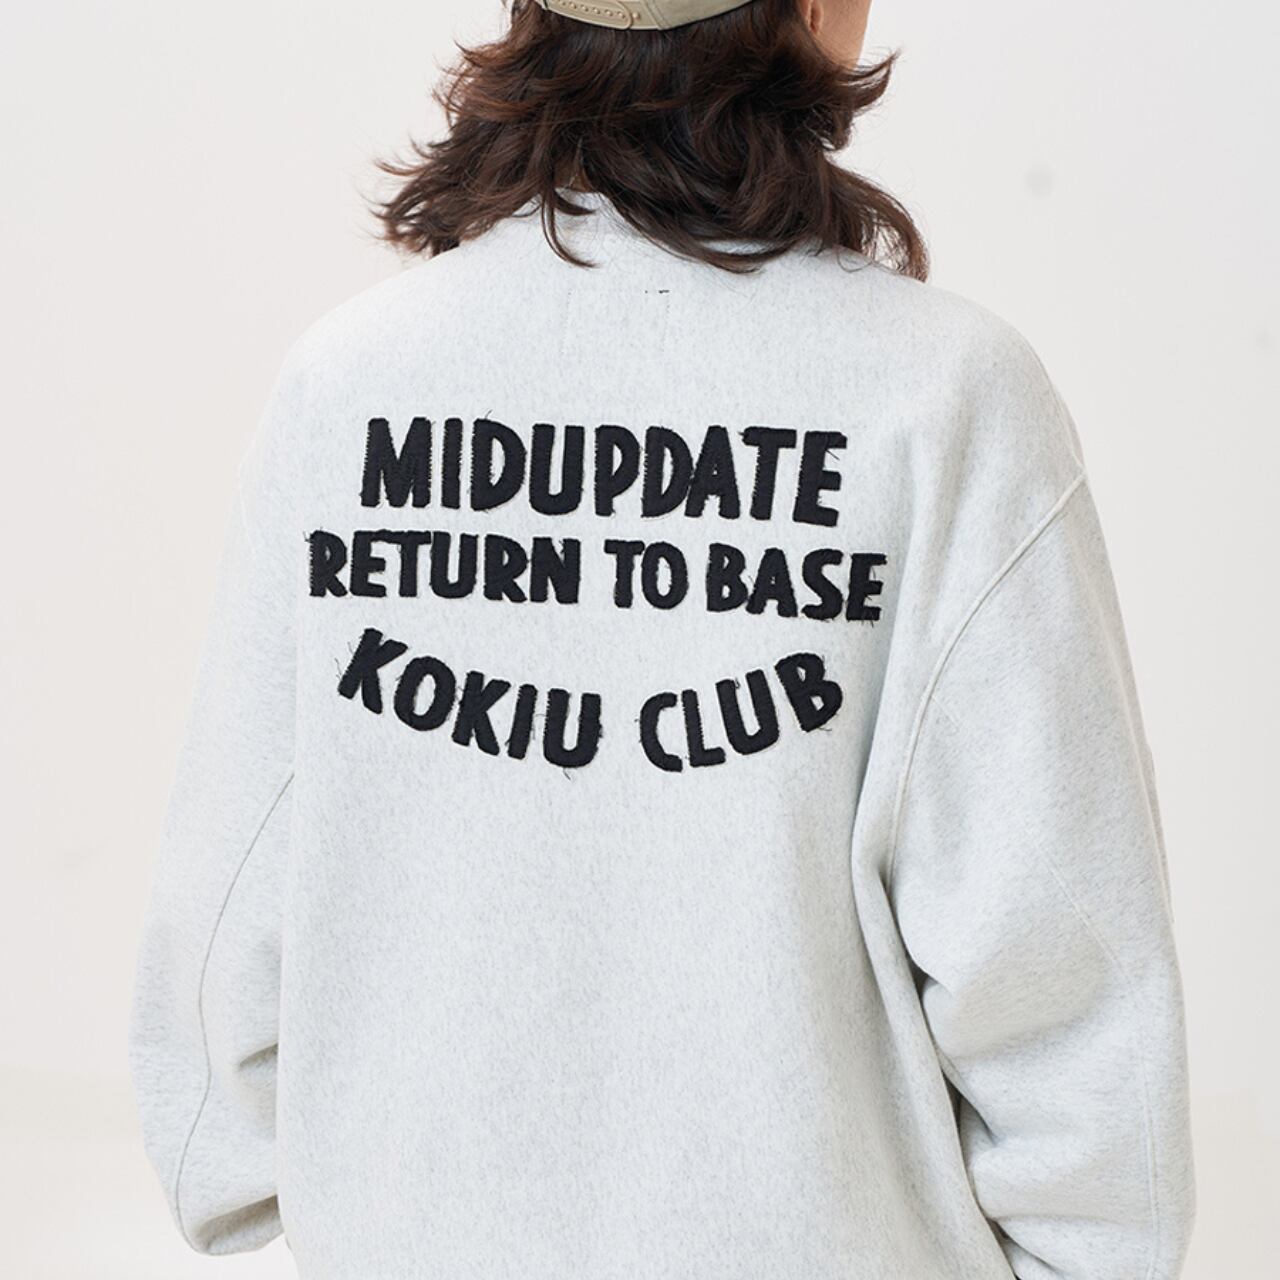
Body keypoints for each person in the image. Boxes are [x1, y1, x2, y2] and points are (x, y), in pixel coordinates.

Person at [128, 1, 1196, 1277]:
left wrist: (288, 1165)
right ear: (811, 13)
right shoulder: (944, 396)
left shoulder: (347, 387)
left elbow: (229, 921)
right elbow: (1050, 939)